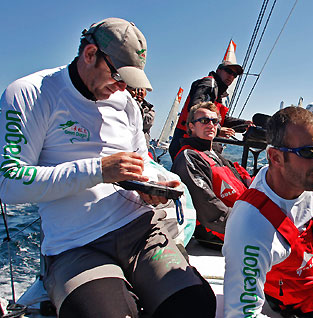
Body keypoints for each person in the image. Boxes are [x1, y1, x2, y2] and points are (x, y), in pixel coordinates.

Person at [0, 18, 215, 317]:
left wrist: (154, 186)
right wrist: (98, 170)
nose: (122, 87)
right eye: (118, 76)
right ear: (89, 54)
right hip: (76, 245)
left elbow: (142, 162)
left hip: (141, 230)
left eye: (129, 81)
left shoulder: (125, 102)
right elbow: (9, 183)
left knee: (194, 304)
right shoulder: (30, 94)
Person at [223, 106, 313, 318]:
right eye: (308, 152)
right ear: (275, 157)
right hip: (301, 307)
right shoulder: (251, 226)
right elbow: (241, 314)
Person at [171, 102, 252, 249]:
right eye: (203, 121)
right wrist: (245, 225)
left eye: (214, 121)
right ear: (191, 127)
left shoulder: (216, 156)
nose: (210, 124)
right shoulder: (189, 157)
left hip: (238, 221)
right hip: (216, 231)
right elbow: (207, 205)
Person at [169, 60, 252, 160]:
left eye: (234, 75)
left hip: (196, 145)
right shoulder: (209, 83)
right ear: (218, 70)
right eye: (228, 71)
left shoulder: (218, 93)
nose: (231, 76)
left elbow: (222, 119)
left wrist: (244, 124)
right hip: (188, 143)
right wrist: (218, 130)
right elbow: (196, 110)